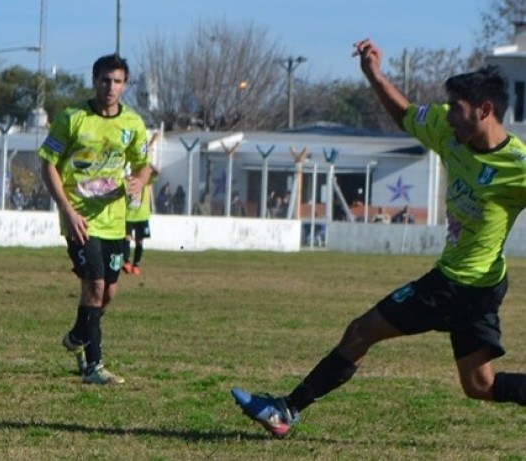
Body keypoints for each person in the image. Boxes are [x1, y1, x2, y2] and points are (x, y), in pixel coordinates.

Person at [231, 38, 526, 438]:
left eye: (457, 109)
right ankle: (285, 410)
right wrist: (373, 74)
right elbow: (405, 114)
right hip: (472, 284)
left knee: (361, 330)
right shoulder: (447, 129)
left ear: (485, 110)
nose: (449, 116)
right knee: (481, 386)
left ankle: (285, 410)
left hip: (463, 285)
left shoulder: (516, 166)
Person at [39, 53, 151, 385]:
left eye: (117, 81)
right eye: (105, 80)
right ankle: (94, 366)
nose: (111, 87)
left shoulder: (132, 124)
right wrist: (66, 210)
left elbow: (143, 165)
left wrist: (140, 180)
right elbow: (48, 164)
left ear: (125, 85)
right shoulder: (72, 118)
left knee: (109, 294)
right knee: (95, 285)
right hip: (80, 219)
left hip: (115, 221)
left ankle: (77, 336)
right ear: (94, 81)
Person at [123, 165, 158, 275]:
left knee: (140, 241)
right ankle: (126, 263)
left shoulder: (146, 179)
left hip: (142, 215)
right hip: (128, 214)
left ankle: (136, 265)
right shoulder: (128, 179)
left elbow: (157, 173)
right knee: (126, 238)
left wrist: (147, 164)